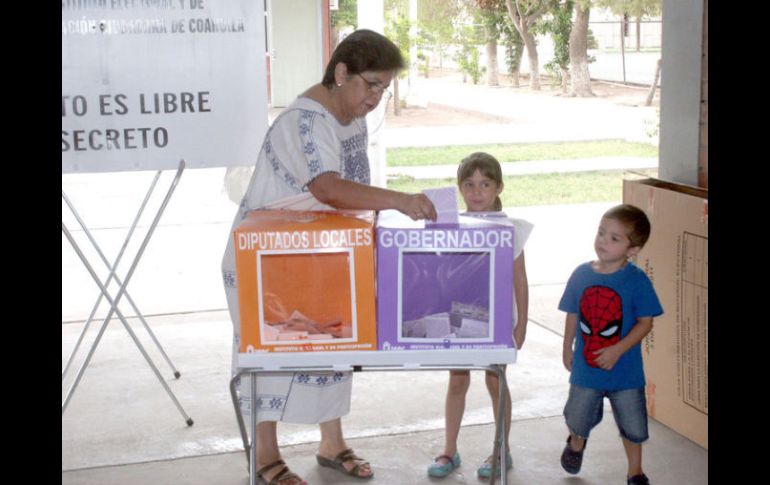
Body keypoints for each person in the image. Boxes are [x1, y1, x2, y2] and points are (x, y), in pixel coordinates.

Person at [221, 29, 437, 485]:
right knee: (268, 355)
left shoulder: (352, 115)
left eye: (385, 87)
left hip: (319, 255)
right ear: (341, 73)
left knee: (334, 346)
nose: (377, 97)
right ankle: (265, 456)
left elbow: (353, 194)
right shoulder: (304, 121)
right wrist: (399, 200)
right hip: (266, 260)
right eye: (371, 84)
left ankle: (331, 443)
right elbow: (328, 188)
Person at [427, 152, 533, 479]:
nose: (476, 192)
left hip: (497, 322)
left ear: (498, 187)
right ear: (460, 188)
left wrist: (522, 323)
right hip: (458, 321)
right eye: (469, 184)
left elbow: (520, 278)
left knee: (495, 382)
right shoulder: (451, 224)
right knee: (457, 379)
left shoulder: (509, 229)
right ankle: (449, 449)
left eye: (485, 184)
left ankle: (502, 449)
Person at [558, 204, 663, 485]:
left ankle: (635, 471)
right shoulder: (581, 274)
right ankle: (577, 442)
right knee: (578, 417)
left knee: (633, 426)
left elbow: (646, 322)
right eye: (601, 233)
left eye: (615, 238)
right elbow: (572, 312)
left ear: (633, 250)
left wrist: (618, 349)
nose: (603, 241)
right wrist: (567, 345)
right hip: (586, 369)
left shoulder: (637, 281)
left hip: (626, 372)